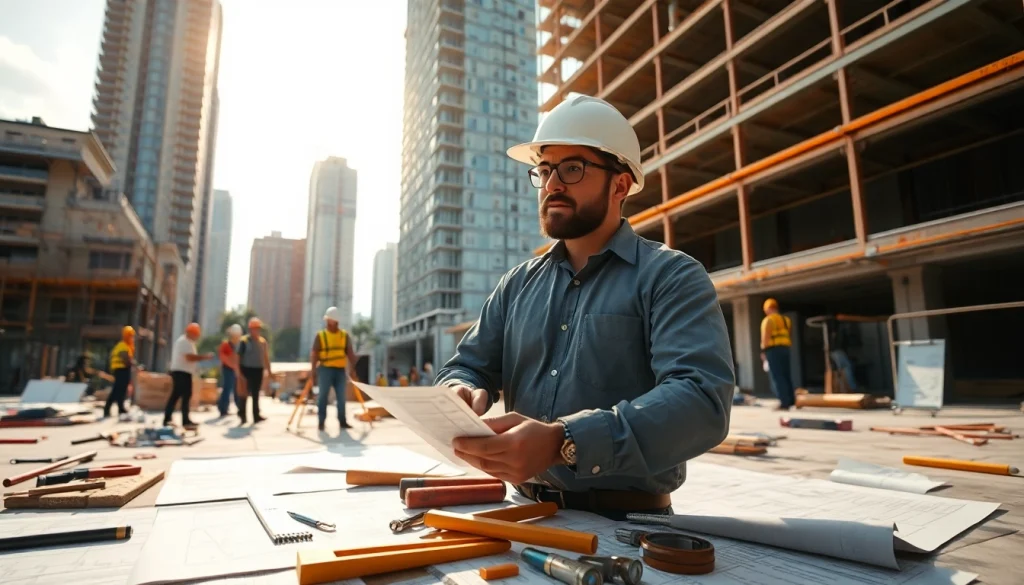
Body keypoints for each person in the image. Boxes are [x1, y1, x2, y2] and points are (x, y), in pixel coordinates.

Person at [435, 95, 735, 520]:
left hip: (629, 526)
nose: (553, 183)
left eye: (572, 168)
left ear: (620, 184)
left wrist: (566, 441)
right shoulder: (517, 285)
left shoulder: (670, 277)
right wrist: (459, 390)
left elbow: (701, 401)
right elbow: (466, 366)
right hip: (522, 516)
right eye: (544, 170)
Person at [310, 306, 359, 431]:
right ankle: (321, 422)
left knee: (341, 397)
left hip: (340, 371)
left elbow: (350, 353)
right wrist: (313, 372)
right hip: (325, 369)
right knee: (323, 397)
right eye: (327, 320)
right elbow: (314, 354)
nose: (328, 322)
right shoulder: (320, 335)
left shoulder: (344, 335)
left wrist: (353, 370)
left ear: (336, 321)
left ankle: (342, 421)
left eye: (330, 320)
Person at [165, 322, 213, 427]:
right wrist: (205, 357)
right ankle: (184, 420)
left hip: (183, 372)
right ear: (191, 333)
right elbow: (190, 357)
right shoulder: (184, 342)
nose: (197, 337)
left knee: (177, 396)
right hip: (181, 373)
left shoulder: (188, 342)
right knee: (184, 396)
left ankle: (169, 419)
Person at [760, 298, 795, 411]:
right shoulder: (786, 320)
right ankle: (791, 400)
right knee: (786, 374)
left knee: (777, 375)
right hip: (785, 349)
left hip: (773, 350)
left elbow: (765, 338)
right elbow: (789, 334)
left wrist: (763, 351)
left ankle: (783, 402)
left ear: (768, 309)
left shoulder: (768, 321)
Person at [237, 317, 271, 424]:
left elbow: (265, 357)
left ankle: (256, 415)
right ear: (250, 329)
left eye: (258, 328)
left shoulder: (263, 342)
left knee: (256, 393)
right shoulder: (244, 341)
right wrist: (238, 372)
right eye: (254, 328)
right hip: (246, 369)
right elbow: (238, 357)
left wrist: (269, 370)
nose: (256, 331)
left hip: (258, 370)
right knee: (244, 393)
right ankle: (242, 415)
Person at [105, 326, 136, 418]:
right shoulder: (123, 346)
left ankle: (121, 408)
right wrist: (134, 365)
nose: (132, 338)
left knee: (121, 390)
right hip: (121, 370)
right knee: (117, 390)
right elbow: (125, 359)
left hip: (121, 370)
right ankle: (107, 409)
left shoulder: (123, 345)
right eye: (130, 336)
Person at [217, 324, 243, 417]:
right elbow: (223, 358)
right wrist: (234, 366)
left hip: (235, 369)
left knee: (237, 389)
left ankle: (240, 408)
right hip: (228, 369)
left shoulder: (239, 345)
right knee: (227, 388)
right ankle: (223, 408)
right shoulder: (225, 345)